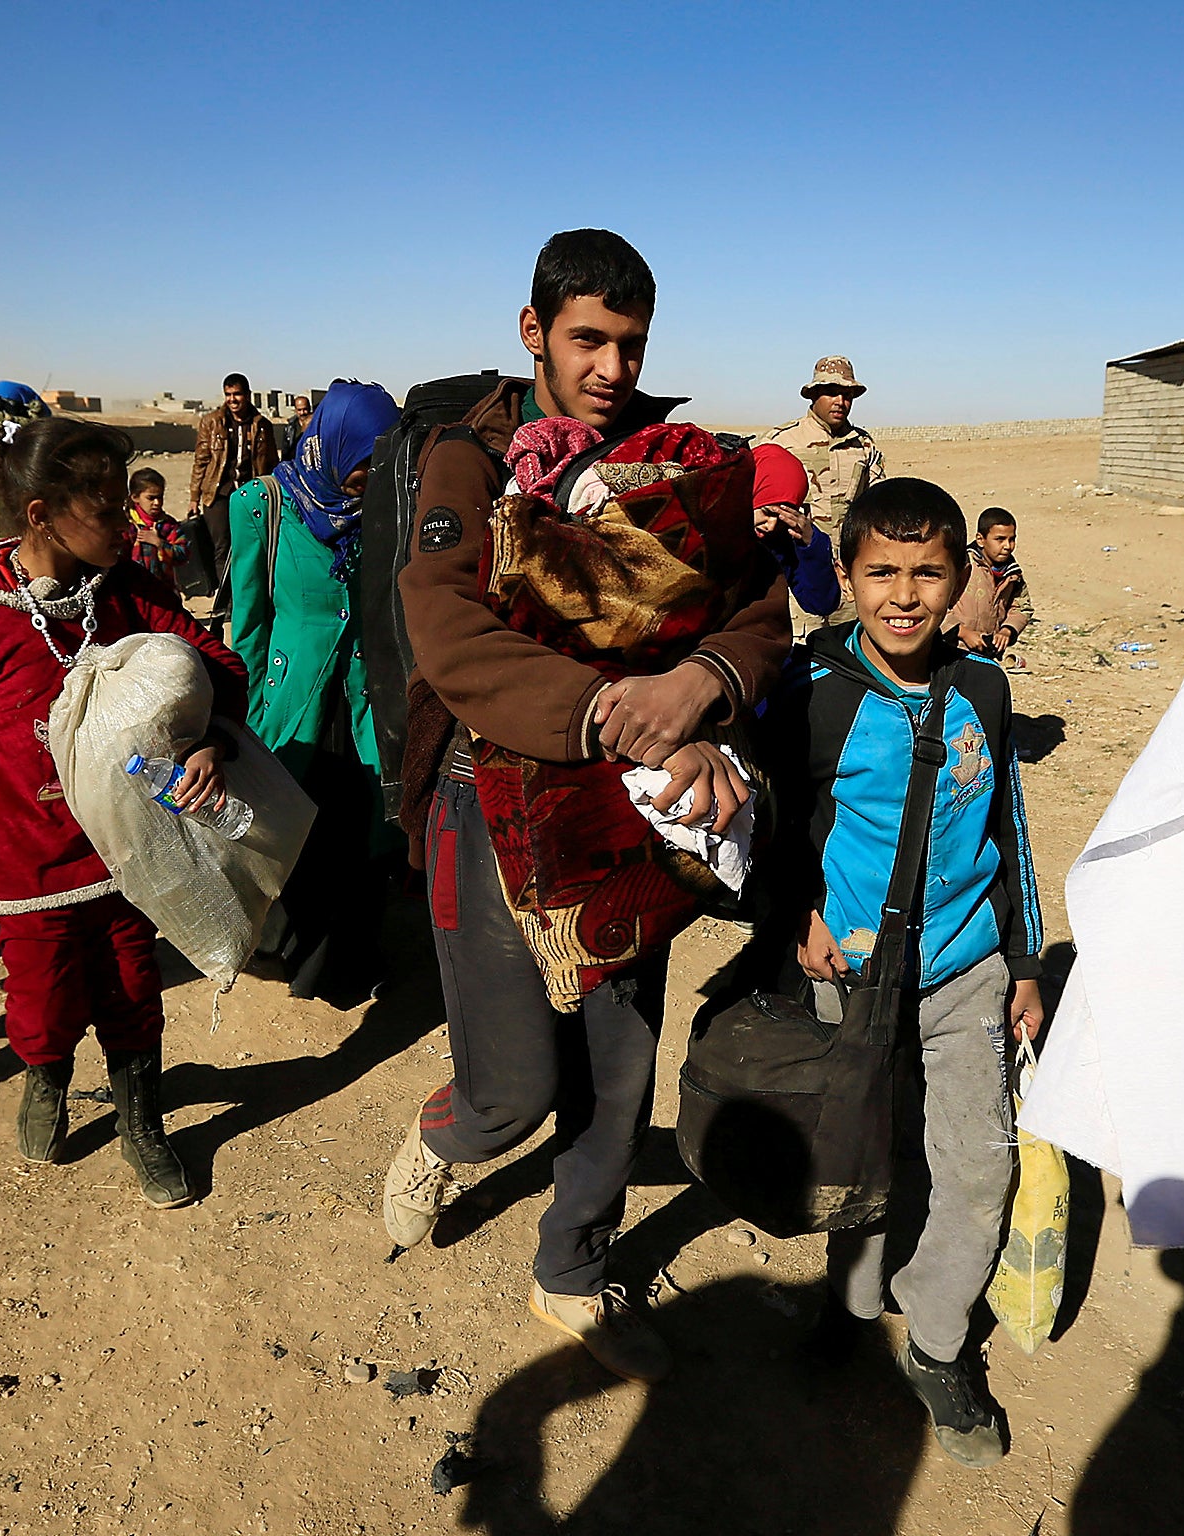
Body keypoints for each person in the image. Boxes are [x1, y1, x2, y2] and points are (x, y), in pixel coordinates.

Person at [379, 228, 791, 1382]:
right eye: (586, 340)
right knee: (511, 1081)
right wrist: (613, 706)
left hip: (631, 811)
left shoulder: (684, 459)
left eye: (630, 342)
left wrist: (703, 682)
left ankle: (571, 1264)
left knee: (617, 1068)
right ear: (534, 334)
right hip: (489, 791)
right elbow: (450, 633)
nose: (610, 366)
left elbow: (754, 609)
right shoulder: (471, 461)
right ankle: (446, 1136)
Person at [772, 476, 1045, 1468]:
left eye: (927, 572)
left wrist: (1022, 959)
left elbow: (1007, 828)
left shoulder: (983, 690)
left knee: (978, 1171)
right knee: (860, 1161)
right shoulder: (814, 692)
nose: (902, 594)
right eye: (879, 571)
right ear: (843, 575)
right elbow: (774, 825)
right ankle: (849, 1312)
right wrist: (795, 915)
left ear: (960, 576)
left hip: (966, 969)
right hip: (849, 977)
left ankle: (935, 1346)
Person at [0, 417, 249, 1209]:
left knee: (134, 986)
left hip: (128, 847)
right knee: (42, 997)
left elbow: (221, 665)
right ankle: (45, 1082)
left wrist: (214, 739)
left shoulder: (132, 591)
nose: (126, 523)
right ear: (40, 516)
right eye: (104, 510)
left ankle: (141, 1124)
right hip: (28, 858)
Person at [228, 380, 402, 1004]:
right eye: (360, 467)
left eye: (378, 468)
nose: (367, 481)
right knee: (287, 828)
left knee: (360, 831)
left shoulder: (385, 511)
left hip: (362, 702)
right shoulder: (262, 506)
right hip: (293, 703)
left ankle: (346, 963)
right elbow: (247, 624)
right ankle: (283, 948)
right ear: (333, 446)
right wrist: (240, 720)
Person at [188, 373, 279, 618]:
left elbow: (270, 462)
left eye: (236, 394)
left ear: (247, 395)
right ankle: (227, 603)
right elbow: (201, 461)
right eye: (228, 395)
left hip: (249, 495)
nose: (232, 400)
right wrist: (194, 497)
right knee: (222, 548)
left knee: (247, 548)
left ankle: (248, 598)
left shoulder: (261, 425)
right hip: (217, 494)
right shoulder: (211, 422)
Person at [762, 356, 887, 531]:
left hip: (847, 554)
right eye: (832, 393)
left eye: (847, 395)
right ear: (814, 394)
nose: (840, 402)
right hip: (798, 554)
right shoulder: (781, 442)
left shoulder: (864, 445)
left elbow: (877, 502)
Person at [750, 442, 840, 627]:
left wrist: (811, 543)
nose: (771, 525)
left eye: (782, 517)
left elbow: (820, 603)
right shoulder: (711, 533)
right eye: (767, 512)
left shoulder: (780, 542)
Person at [945, 506, 1034, 662]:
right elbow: (935, 603)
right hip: (951, 650)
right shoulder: (962, 565)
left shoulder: (1012, 574)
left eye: (1012, 539)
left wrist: (1007, 631)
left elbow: (1022, 607)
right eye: (1000, 539)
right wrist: (962, 632)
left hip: (987, 653)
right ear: (980, 539)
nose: (1007, 546)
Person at [124, 466, 186, 584]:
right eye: (151, 498)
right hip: (132, 590)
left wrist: (159, 543)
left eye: (160, 497)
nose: (157, 503)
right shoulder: (126, 524)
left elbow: (183, 554)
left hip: (163, 589)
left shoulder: (168, 525)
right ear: (135, 497)